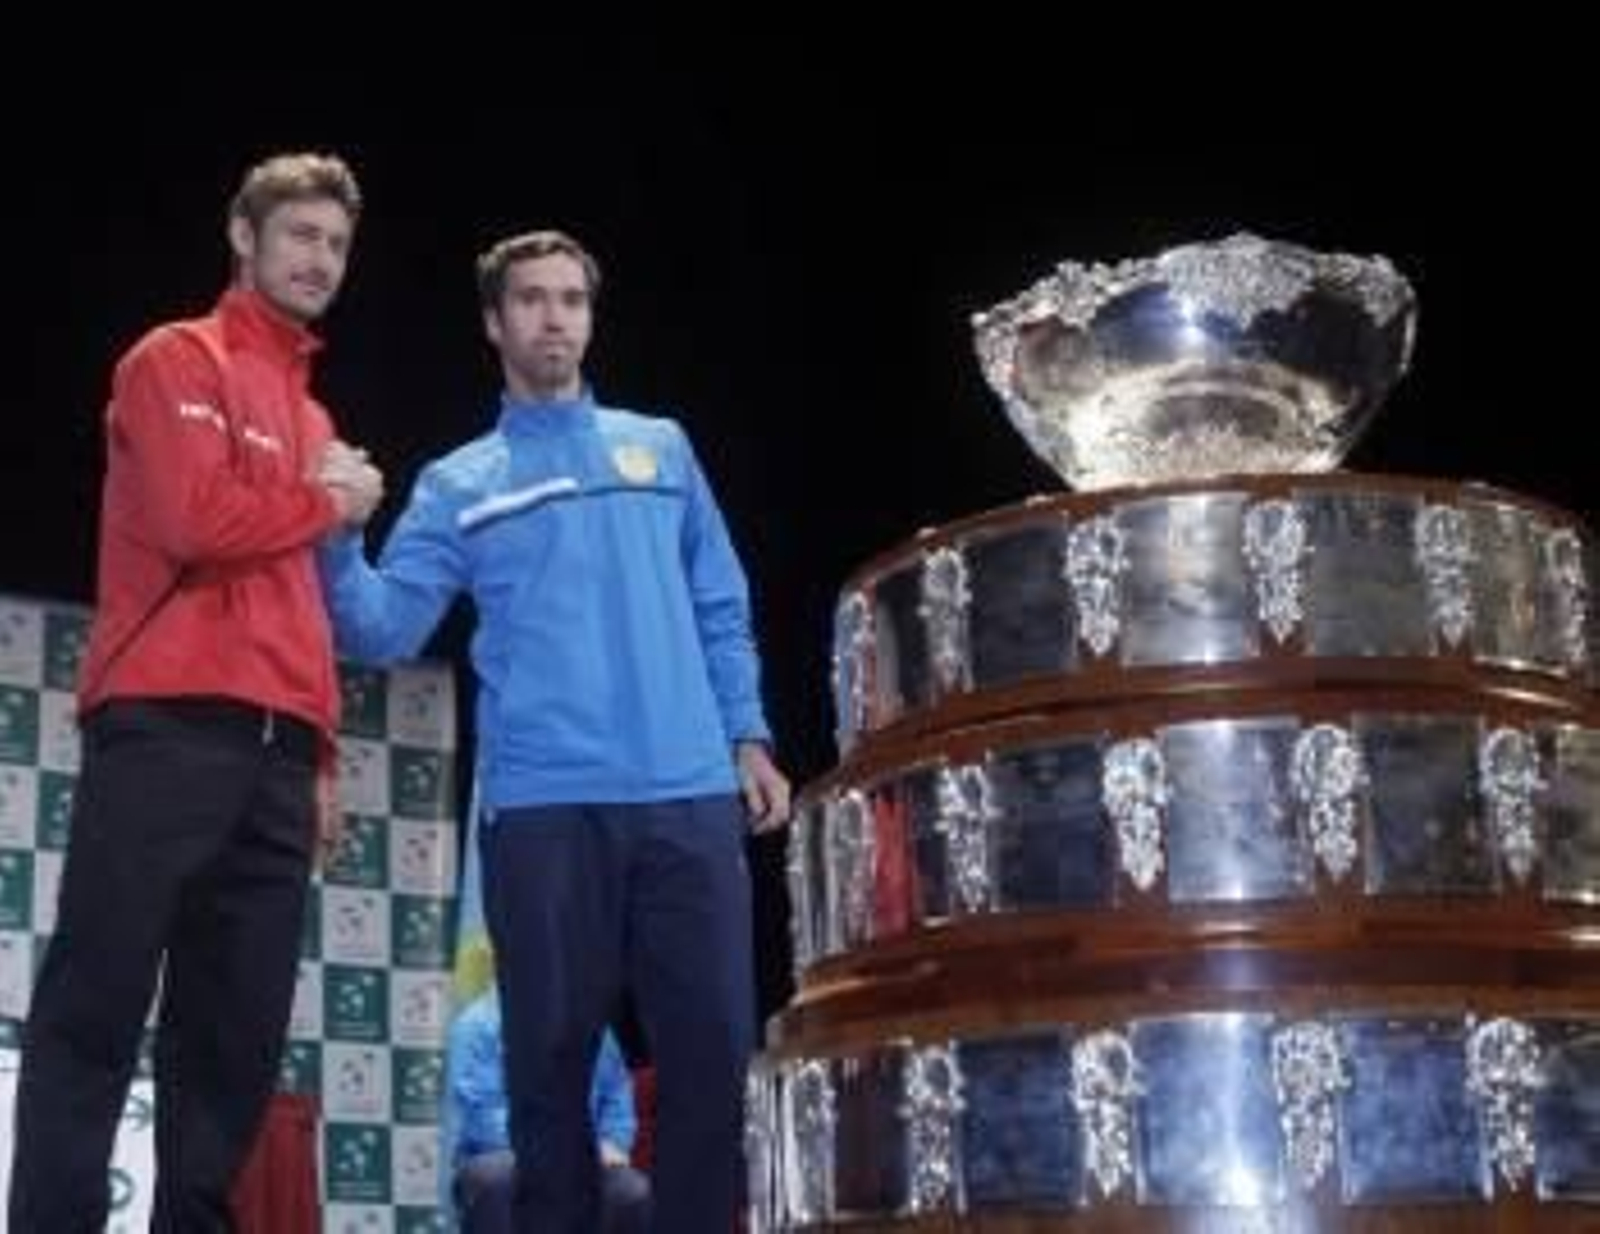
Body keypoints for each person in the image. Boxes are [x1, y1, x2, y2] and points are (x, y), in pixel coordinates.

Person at [318, 228, 790, 1231]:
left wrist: (746, 735)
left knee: (712, 1062)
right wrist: (336, 532)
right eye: (531, 300)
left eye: (571, 299)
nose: (554, 318)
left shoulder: (660, 447)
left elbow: (718, 600)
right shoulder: (460, 483)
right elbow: (381, 626)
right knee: (548, 1071)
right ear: (494, 323)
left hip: (686, 793)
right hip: (543, 806)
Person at [7, 151, 384, 1232]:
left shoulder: (315, 420)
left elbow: (306, 611)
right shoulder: (174, 359)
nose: (320, 259)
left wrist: (317, 758)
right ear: (243, 235)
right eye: (302, 235)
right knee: (98, 1002)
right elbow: (193, 521)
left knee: (231, 1038)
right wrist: (321, 500)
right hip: (165, 726)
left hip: (276, 756)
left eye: (337, 245)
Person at [447, 989, 650, 1234]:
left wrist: (611, 1143)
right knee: (496, 1179)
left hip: (586, 1161)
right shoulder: (477, 1024)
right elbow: (481, 1117)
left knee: (634, 1193)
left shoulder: (595, 1028)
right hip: (506, 1156)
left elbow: (618, 1102)